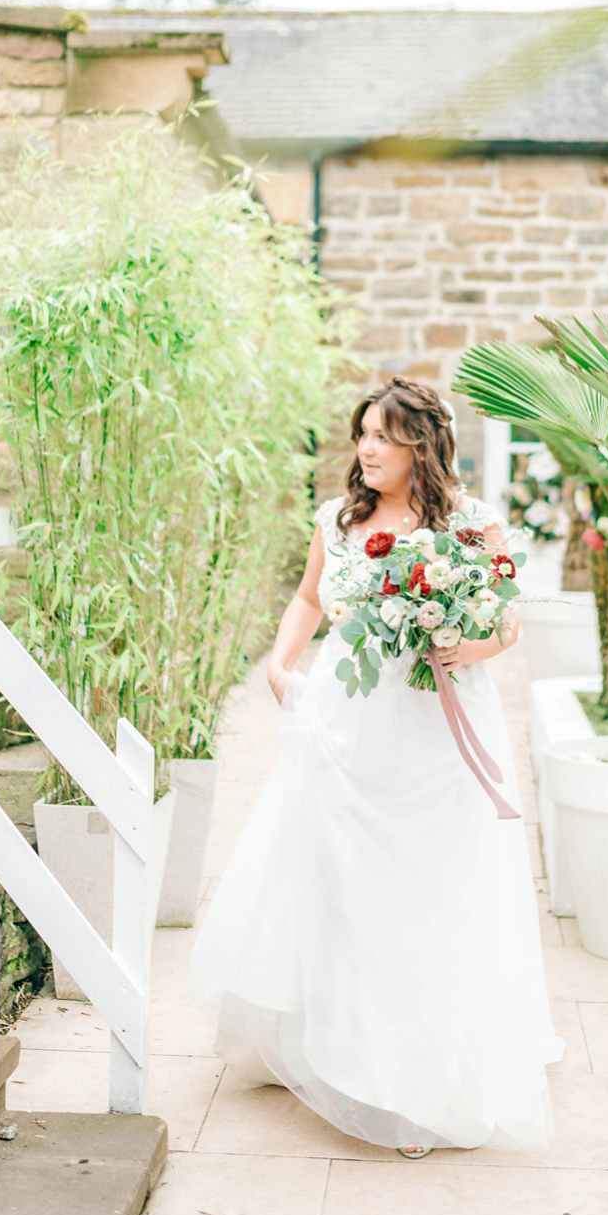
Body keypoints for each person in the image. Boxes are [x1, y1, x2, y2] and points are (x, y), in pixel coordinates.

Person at [189, 376, 561, 1156]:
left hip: (439, 727)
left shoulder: (473, 522)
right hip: (349, 725)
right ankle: (350, 1055)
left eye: (383, 437)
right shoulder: (341, 520)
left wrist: (469, 646)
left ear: (420, 445)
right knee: (345, 886)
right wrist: (282, 662)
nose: (365, 449)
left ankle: (424, 1076)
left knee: (430, 891)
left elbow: (509, 616)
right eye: (361, 434)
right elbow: (308, 599)